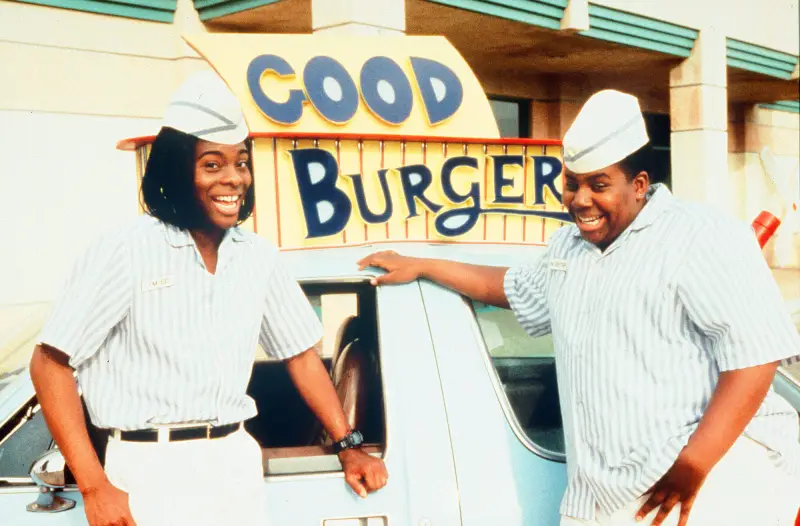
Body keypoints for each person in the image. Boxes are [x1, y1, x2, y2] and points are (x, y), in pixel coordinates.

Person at [357, 90, 800, 526]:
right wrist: (424, 264)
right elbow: (509, 287)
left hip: (700, 487)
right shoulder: (568, 248)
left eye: (599, 185)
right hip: (600, 498)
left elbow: (756, 356)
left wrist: (696, 462)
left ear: (639, 184)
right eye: (572, 183)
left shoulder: (702, 236)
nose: (580, 200)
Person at [29, 71, 388, 526]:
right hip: (146, 466)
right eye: (212, 165)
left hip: (234, 461)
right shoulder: (125, 250)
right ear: (179, 172)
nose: (234, 179)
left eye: (241, 162)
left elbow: (300, 355)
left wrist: (348, 446)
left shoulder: (257, 256)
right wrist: (94, 484)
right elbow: (50, 363)